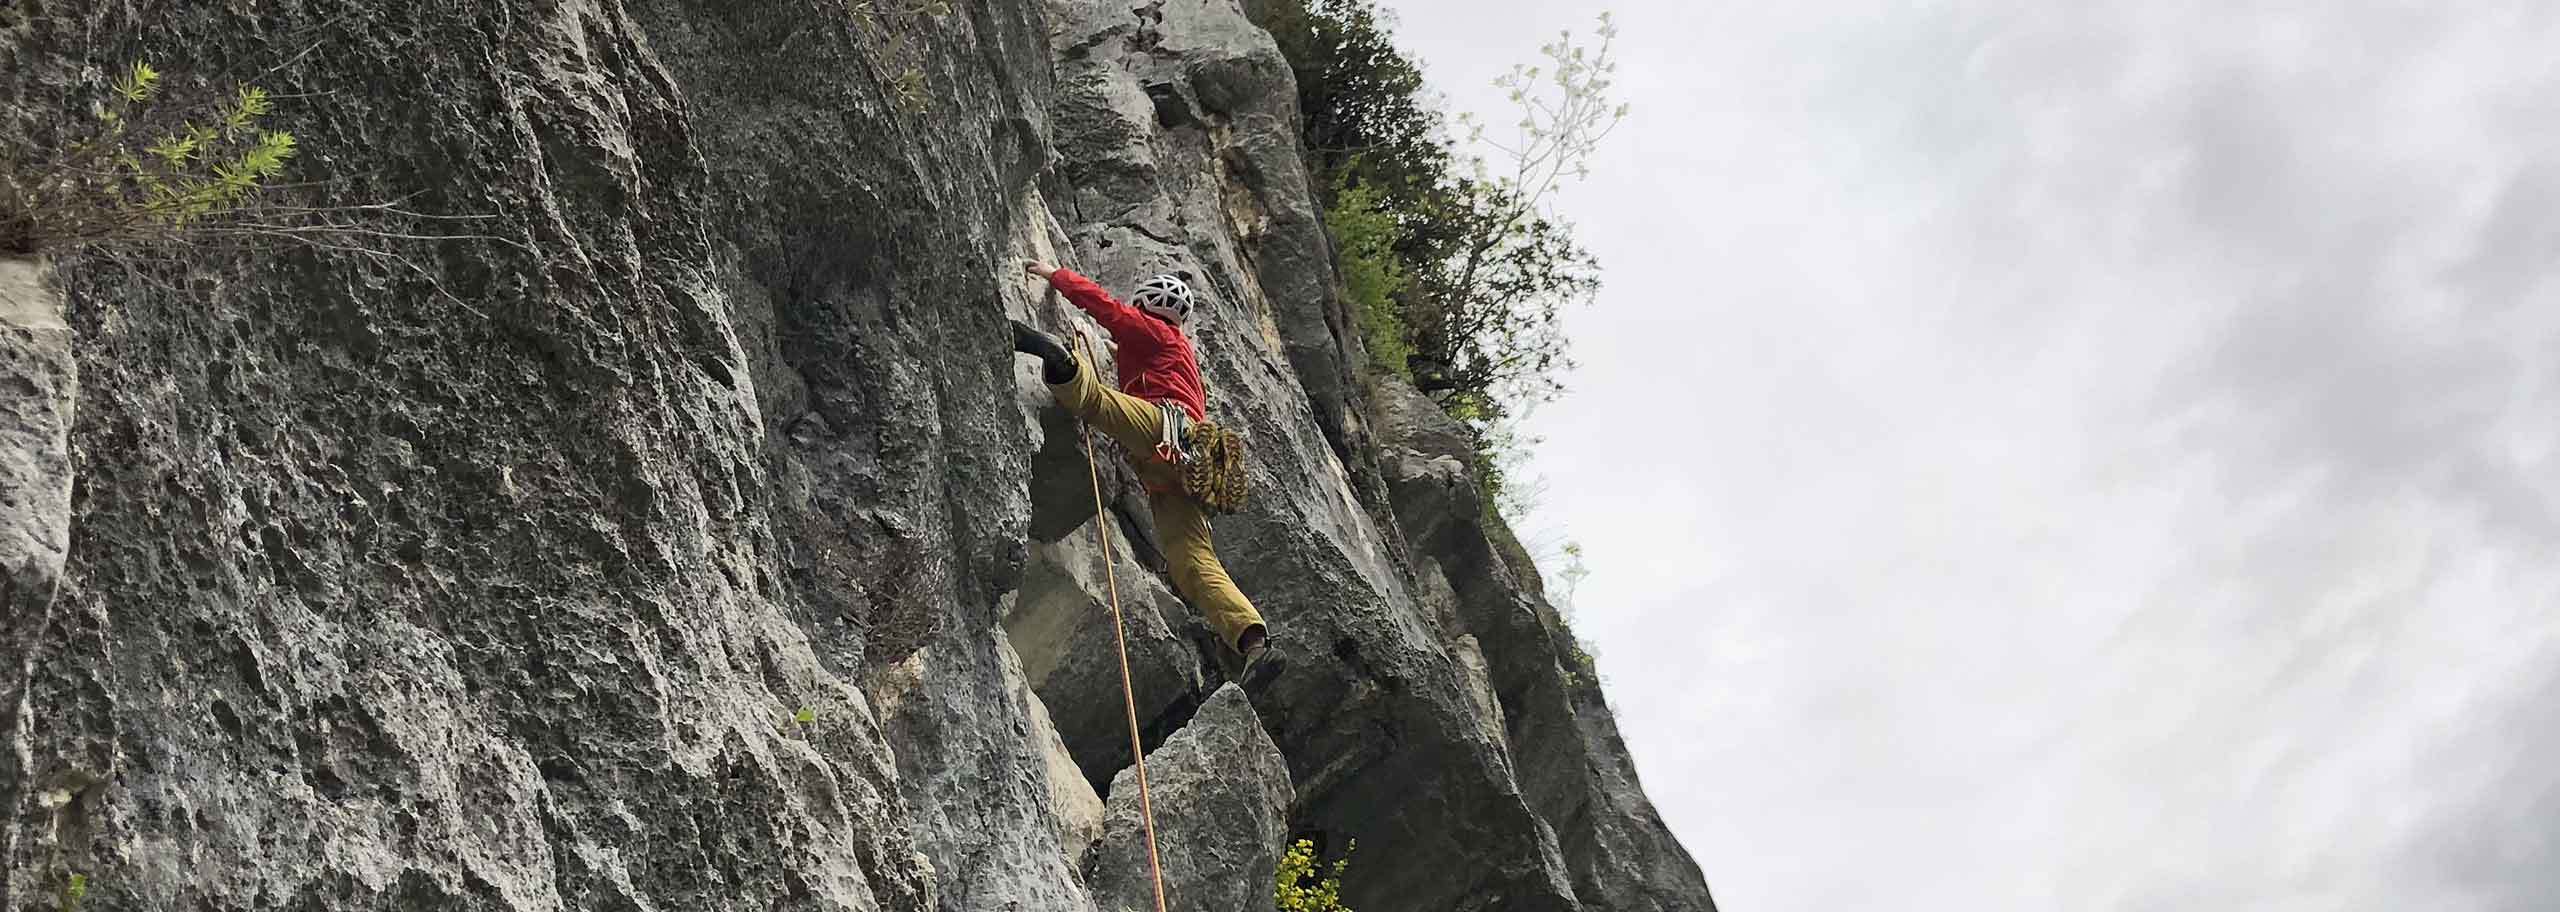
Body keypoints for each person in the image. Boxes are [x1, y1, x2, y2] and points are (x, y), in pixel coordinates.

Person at [1011, 260, 1281, 688]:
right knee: (1192, 559)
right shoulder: (1176, 351)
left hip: (1164, 431)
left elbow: (1109, 310)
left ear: (1149, 305)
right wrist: (1119, 355)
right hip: (1186, 468)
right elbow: (1147, 368)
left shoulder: (1155, 331)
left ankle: (1055, 356)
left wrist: (1054, 275)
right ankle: (1253, 643)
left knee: (1094, 403)